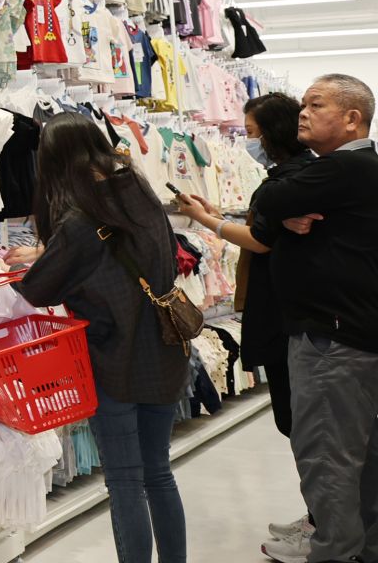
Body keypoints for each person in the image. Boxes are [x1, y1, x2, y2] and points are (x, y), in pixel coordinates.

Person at [11, 113, 188, 563]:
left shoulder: (77, 221)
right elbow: (144, 254)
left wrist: (35, 260)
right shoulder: (138, 192)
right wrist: (49, 251)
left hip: (111, 361)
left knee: (126, 481)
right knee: (158, 473)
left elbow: (38, 290)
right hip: (164, 351)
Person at [173, 90, 313, 550]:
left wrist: (207, 222)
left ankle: (323, 523)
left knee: (300, 422)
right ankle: (319, 515)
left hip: (285, 314)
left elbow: (260, 240)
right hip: (285, 311)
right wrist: (216, 217)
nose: (248, 142)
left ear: (271, 133)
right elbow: (265, 232)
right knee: (297, 420)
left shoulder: (290, 181)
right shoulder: (291, 177)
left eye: (252, 133)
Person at [248, 73, 378, 563]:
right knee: (358, 455)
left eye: (316, 104)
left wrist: (281, 211)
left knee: (327, 455)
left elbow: (269, 199)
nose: (303, 112)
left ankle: (334, 552)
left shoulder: (345, 167)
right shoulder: (351, 171)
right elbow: (275, 210)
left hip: (331, 339)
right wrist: (284, 215)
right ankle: (362, 547)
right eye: (304, 103)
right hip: (348, 334)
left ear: (352, 118)